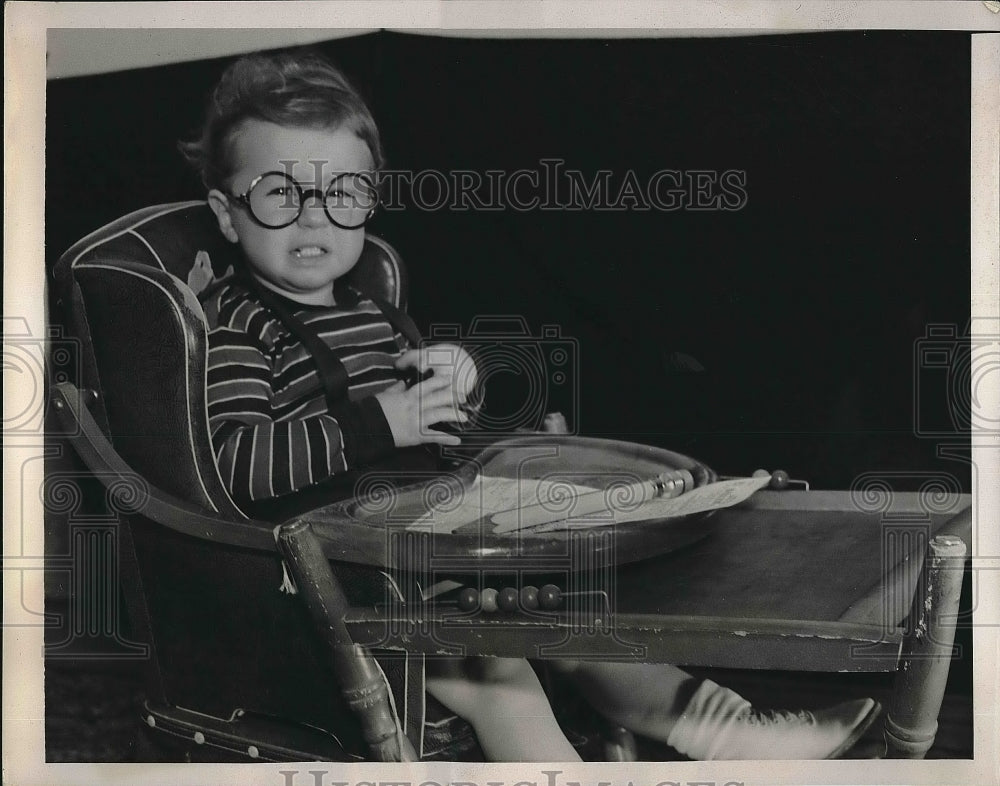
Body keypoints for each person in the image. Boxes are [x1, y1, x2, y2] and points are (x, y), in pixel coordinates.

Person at [180, 48, 879, 761]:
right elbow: (234, 464)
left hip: (425, 546)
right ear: (227, 215)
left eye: (343, 193)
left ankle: (732, 732)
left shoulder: (371, 310)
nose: (314, 218)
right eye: (279, 193)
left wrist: (478, 407)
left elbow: (432, 444)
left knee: (580, 619)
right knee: (492, 664)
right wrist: (384, 417)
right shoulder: (240, 328)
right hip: (337, 578)